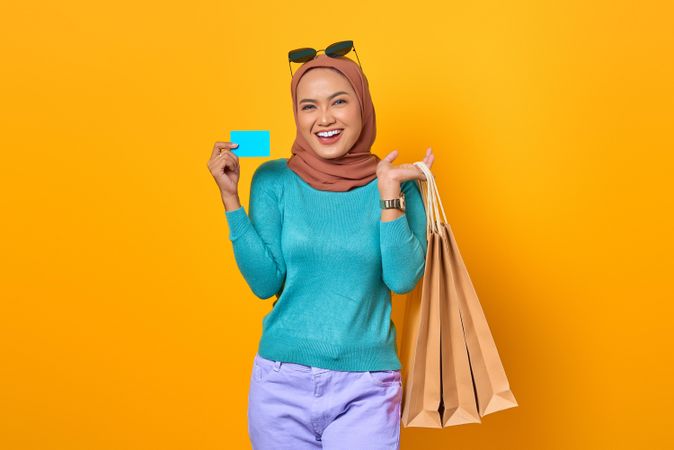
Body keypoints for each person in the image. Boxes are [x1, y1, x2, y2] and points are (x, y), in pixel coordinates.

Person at [207, 53, 435, 449]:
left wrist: (388, 196)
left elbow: (402, 279)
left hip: (367, 386)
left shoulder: (397, 182)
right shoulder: (273, 178)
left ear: (363, 105)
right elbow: (264, 284)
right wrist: (231, 200)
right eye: (309, 106)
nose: (324, 118)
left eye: (339, 101)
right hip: (279, 384)